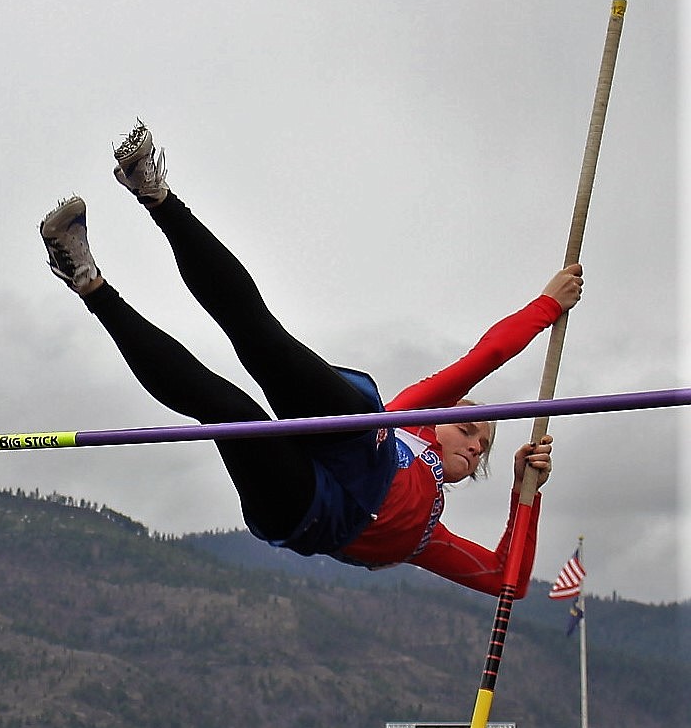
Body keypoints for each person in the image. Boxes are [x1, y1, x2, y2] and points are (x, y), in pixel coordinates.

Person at [40, 120, 583, 599]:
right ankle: (155, 193)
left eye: (484, 448)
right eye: (470, 429)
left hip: (310, 509)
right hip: (355, 440)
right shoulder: (412, 418)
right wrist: (547, 305)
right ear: (438, 426)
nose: (476, 445)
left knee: (227, 408)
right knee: (261, 340)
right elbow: (484, 357)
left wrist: (522, 491)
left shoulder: (428, 537)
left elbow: (503, 579)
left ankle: (87, 281)